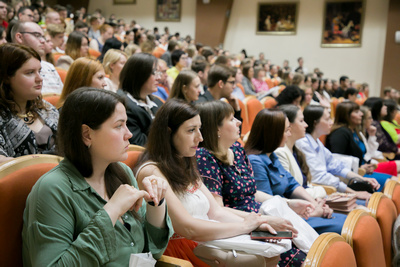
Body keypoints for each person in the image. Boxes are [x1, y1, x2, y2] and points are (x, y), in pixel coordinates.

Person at [23, 88, 173, 266]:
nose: (129, 134)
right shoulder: (52, 189)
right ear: (87, 134)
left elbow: (152, 252)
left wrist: (156, 202)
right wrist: (112, 210)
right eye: (119, 126)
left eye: (126, 124)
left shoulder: (121, 172)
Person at [136, 99, 290, 267]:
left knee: (275, 250)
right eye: (191, 130)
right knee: (262, 260)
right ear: (168, 133)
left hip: (205, 240)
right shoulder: (152, 171)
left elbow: (216, 212)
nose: (200, 137)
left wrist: (257, 225)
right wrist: (245, 226)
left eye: (199, 129)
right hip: (180, 251)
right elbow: (187, 228)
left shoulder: (185, 161)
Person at [196, 101, 316, 267]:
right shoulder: (205, 157)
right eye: (231, 119)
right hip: (239, 225)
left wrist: (288, 203)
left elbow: (252, 193)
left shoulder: (237, 149)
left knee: (312, 248)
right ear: (216, 128)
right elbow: (218, 210)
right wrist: (262, 221)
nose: (239, 122)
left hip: (260, 215)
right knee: (298, 257)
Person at [245, 108, 348, 234]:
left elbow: (291, 184)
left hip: (294, 212)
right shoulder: (255, 161)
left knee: (351, 222)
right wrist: (313, 211)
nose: (289, 134)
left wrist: (313, 204)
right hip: (284, 220)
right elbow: (268, 205)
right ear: (274, 133)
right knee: (345, 227)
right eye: (286, 131)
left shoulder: (271, 155)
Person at [296, 105, 379, 199]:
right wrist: (354, 193)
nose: (331, 122)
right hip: (318, 191)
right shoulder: (303, 143)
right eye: (327, 119)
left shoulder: (316, 141)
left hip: (327, 188)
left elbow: (336, 166)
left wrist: (363, 179)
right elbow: (319, 177)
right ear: (315, 123)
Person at [0, 43, 58, 163]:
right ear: (6, 77)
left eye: (39, 71)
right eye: (30, 72)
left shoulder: (47, 109)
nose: (40, 78)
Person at [326, 101, 393, 190]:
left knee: (394, 183)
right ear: (346, 115)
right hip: (350, 177)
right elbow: (337, 160)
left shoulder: (354, 131)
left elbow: (367, 153)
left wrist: (365, 166)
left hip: (361, 172)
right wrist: (359, 168)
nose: (361, 114)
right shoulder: (340, 133)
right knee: (392, 185)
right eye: (357, 112)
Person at [117, 53, 163, 146]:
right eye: (154, 73)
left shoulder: (156, 101)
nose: (159, 78)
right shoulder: (123, 105)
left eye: (159, 73)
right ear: (139, 74)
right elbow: (139, 144)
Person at [12, 21, 64, 94]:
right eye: (37, 35)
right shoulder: (10, 67)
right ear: (20, 37)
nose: (43, 41)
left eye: (43, 37)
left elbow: (62, 99)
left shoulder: (49, 67)